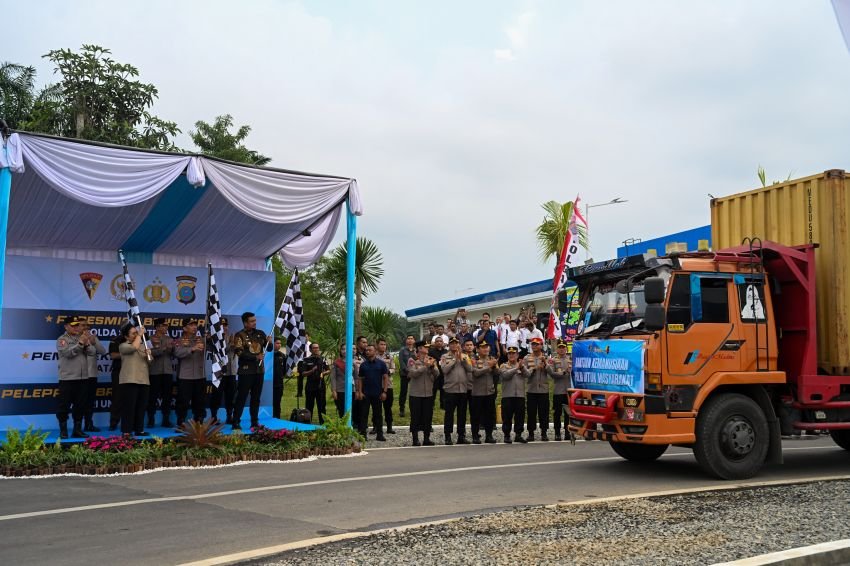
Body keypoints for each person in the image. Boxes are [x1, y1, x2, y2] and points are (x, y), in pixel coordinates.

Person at [232, 311, 273, 430]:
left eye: (255, 321)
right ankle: (236, 421)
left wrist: (269, 342)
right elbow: (239, 352)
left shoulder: (260, 333)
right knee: (242, 397)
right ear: (245, 323)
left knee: (256, 398)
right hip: (246, 372)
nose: (254, 323)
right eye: (252, 321)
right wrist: (255, 357)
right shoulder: (239, 335)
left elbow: (269, 349)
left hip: (259, 371)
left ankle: (254, 422)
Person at [56, 316, 92, 439]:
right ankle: (63, 431)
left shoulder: (82, 337)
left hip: (82, 378)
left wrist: (86, 344)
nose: (76, 327)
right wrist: (81, 343)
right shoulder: (62, 339)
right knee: (64, 406)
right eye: (73, 325)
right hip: (67, 379)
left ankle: (77, 430)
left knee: (80, 406)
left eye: (77, 325)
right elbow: (67, 353)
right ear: (66, 326)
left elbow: (92, 352)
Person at [118, 323, 152, 436]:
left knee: (141, 407)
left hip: (144, 380)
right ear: (126, 336)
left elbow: (150, 362)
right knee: (129, 408)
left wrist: (149, 355)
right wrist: (140, 335)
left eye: (137, 333)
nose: (136, 335)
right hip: (129, 380)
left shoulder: (143, 346)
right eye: (133, 333)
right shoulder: (123, 345)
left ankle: (139, 429)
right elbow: (133, 348)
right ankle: (126, 431)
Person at [440, 337, 472, 445]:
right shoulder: (445, 356)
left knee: (462, 414)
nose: (454, 345)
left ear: (459, 345)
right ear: (449, 345)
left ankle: (461, 436)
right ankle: (448, 436)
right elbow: (444, 370)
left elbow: (470, 369)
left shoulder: (465, 356)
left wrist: (462, 359)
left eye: (456, 343)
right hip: (450, 390)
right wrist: (454, 359)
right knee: (449, 414)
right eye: (452, 343)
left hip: (462, 389)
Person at [174, 318, 206, 426]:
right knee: (183, 401)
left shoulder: (201, 339)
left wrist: (211, 339)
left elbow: (213, 348)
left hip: (200, 375)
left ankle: (199, 421)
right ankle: (181, 421)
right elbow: (178, 353)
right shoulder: (179, 341)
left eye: (195, 325)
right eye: (191, 325)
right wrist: (192, 349)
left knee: (200, 401)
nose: (194, 327)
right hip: (185, 376)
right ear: (184, 328)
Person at [407, 342, 439, 446]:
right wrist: (425, 366)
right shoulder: (412, 360)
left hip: (428, 393)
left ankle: (426, 439)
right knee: (415, 417)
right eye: (425, 347)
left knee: (427, 417)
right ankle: (415, 439)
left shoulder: (431, 359)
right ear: (420, 349)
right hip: (416, 393)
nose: (427, 349)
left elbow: (437, 374)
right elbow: (412, 374)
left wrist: (432, 366)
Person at [356, 344, 388, 441]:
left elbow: (385, 377)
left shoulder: (381, 364)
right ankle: (363, 435)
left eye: (369, 350)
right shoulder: (363, 365)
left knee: (378, 414)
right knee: (364, 414)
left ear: (375, 352)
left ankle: (380, 434)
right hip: (366, 394)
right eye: (366, 350)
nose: (367, 352)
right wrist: (360, 392)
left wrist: (384, 391)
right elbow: (360, 379)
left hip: (377, 393)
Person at [79, 320, 107, 432]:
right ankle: (77, 427)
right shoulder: (75, 338)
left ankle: (88, 424)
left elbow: (103, 351)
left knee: (90, 402)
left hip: (92, 375)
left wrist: (94, 342)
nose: (86, 327)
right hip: (79, 376)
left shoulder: (93, 337)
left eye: (88, 326)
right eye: (83, 325)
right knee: (80, 402)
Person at [209, 318, 238, 424]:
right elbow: (221, 353)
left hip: (231, 372)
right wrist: (230, 345)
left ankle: (229, 416)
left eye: (226, 325)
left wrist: (236, 346)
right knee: (216, 396)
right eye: (222, 326)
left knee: (231, 396)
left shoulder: (234, 337)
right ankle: (213, 417)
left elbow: (239, 351)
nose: (224, 327)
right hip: (219, 372)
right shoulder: (215, 340)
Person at [148, 318, 175, 428]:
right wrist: (163, 348)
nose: (166, 327)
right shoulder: (149, 339)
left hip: (167, 371)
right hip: (154, 372)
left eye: (166, 325)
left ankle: (166, 419)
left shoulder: (170, 339)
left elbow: (174, 354)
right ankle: (151, 419)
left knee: (167, 397)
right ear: (157, 327)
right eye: (164, 325)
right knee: (152, 397)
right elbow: (150, 353)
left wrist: (173, 348)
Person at [470, 340, 498, 444]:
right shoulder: (474, 359)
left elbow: (497, 372)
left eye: (487, 347)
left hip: (489, 392)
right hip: (477, 392)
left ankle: (489, 435)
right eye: (482, 347)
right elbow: (476, 373)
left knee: (489, 415)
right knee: (476, 416)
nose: (485, 349)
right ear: (477, 349)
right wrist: (489, 367)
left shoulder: (492, 359)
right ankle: (475, 435)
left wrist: (494, 366)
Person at [523, 337, 550, 441]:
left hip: (543, 389)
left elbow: (552, 374)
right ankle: (531, 433)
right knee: (531, 412)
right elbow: (525, 374)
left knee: (544, 412)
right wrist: (534, 369)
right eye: (533, 344)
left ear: (541, 345)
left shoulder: (546, 358)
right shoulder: (527, 358)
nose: (534, 346)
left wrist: (546, 364)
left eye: (537, 344)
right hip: (531, 389)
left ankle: (544, 433)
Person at [500, 346, 528, 444]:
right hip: (507, 395)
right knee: (507, 416)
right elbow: (505, 375)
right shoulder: (503, 365)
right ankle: (507, 435)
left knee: (520, 416)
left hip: (520, 395)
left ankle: (518, 435)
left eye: (513, 353)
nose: (511, 355)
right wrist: (516, 368)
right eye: (509, 353)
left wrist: (522, 367)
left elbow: (528, 375)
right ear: (507, 355)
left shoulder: (521, 365)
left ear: (517, 355)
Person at [547, 341, 572, 441]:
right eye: (560, 347)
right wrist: (564, 372)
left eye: (563, 347)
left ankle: (567, 432)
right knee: (557, 413)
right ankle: (557, 433)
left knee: (568, 414)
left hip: (568, 391)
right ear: (557, 349)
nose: (562, 349)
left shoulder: (571, 360)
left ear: (566, 349)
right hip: (558, 391)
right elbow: (552, 374)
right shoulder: (553, 360)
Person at [300, 342, 329, 424]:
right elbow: (303, 373)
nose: (316, 349)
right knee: (309, 406)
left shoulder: (322, 359)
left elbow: (328, 370)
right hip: (310, 386)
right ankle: (307, 423)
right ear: (310, 349)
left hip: (320, 385)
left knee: (322, 406)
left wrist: (323, 373)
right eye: (314, 348)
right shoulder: (306, 360)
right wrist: (312, 370)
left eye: (317, 348)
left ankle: (323, 424)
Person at [376, 338, 397, 434]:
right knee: (377, 408)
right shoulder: (374, 356)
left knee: (388, 407)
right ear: (377, 345)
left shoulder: (389, 356)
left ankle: (389, 427)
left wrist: (389, 371)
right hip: (376, 385)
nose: (383, 346)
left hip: (388, 385)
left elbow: (393, 368)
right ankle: (376, 427)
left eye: (384, 344)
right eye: (381, 344)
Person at [108, 331, 126, 431]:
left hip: (133, 372)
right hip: (118, 371)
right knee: (117, 398)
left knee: (131, 399)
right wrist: (129, 352)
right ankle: (114, 422)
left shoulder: (138, 340)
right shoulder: (115, 340)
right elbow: (113, 355)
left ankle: (130, 423)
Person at [397, 335, 416, 417]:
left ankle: (414, 409)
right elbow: (401, 362)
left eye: (412, 338)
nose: (410, 340)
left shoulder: (416, 351)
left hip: (414, 374)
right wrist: (408, 371)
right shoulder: (402, 350)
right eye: (408, 338)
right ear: (406, 341)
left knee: (414, 392)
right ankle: (402, 409)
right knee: (403, 392)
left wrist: (413, 372)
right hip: (405, 374)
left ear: (414, 340)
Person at [428, 336, 448, 410]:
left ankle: (443, 404)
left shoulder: (446, 351)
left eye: (440, 341)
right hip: (435, 374)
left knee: (443, 390)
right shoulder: (431, 351)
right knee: (433, 389)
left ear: (443, 343)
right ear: (435, 343)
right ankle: (431, 404)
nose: (439, 342)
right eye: (437, 341)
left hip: (443, 374)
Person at [331, 344, 350, 418]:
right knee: (341, 410)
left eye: (346, 349)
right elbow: (333, 377)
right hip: (340, 390)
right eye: (343, 349)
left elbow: (357, 378)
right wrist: (334, 390)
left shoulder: (354, 362)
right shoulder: (336, 362)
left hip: (352, 390)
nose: (345, 351)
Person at [272, 338, 285, 419]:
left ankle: (277, 417)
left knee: (277, 402)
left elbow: (284, 369)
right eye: (277, 343)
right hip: (269, 383)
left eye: (280, 343)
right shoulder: (268, 354)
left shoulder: (282, 355)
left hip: (279, 382)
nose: (279, 345)